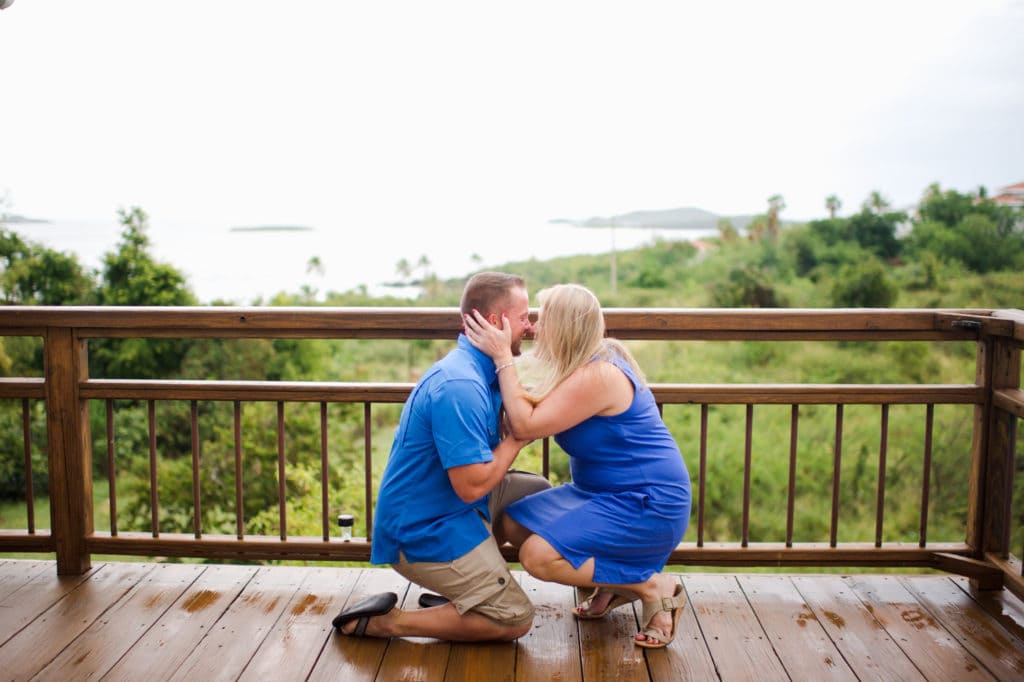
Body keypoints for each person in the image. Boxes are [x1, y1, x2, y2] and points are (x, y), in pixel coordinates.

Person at [463, 283, 691, 649]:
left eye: (542, 319)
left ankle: (651, 586)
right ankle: (613, 584)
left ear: (565, 327)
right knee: (512, 523)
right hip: (595, 494)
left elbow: (526, 425)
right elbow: (532, 411)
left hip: (647, 502)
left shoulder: (599, 375)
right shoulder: (579, 364)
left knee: (536, 557)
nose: (535, 328)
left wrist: (503, 356)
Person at [332, 271, 550, 641]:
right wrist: (515, 441)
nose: (530, 327)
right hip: (425, 528)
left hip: (453, 506)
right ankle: (391, 622)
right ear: (495, 323)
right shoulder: (459, 386)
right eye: (524, 317)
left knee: (539, 495)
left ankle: (463, 592)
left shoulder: (489, 369)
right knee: (515, 618)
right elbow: (469, 487)